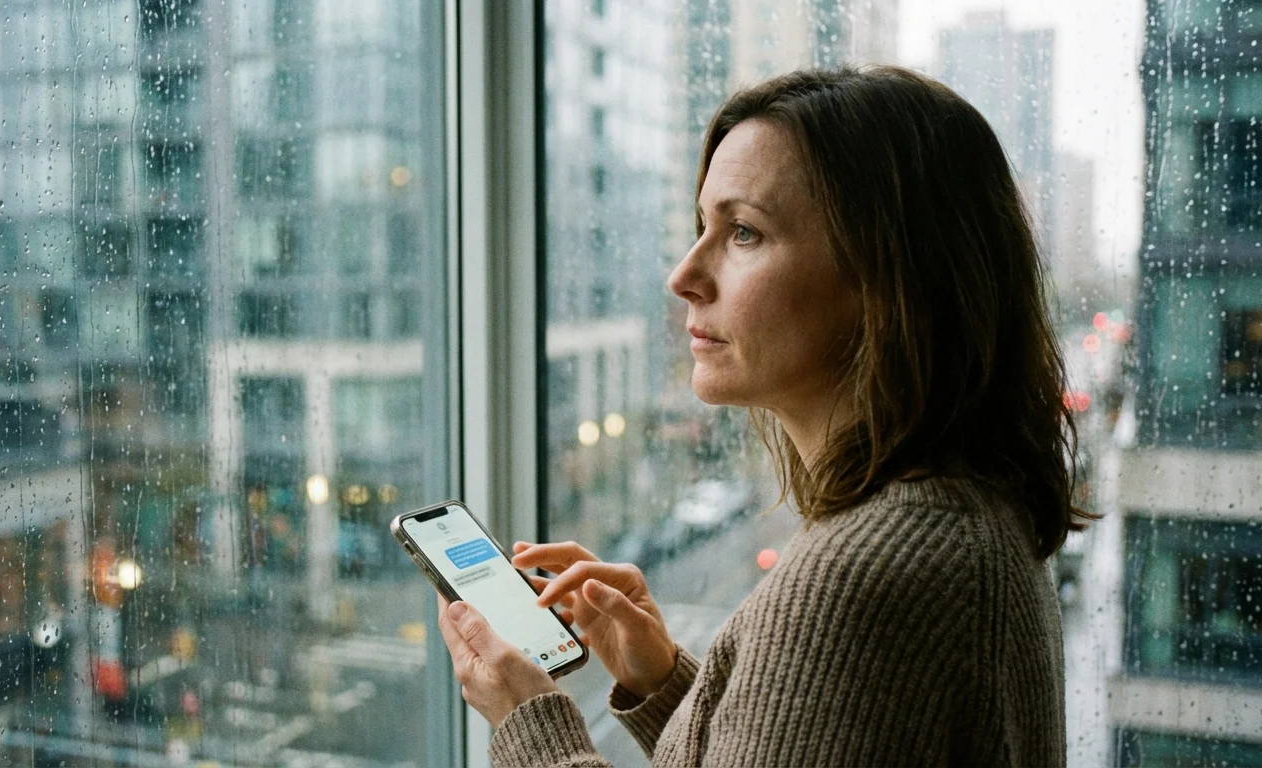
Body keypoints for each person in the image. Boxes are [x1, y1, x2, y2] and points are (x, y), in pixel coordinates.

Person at [434, 65, 1085, 767]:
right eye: (702, 227)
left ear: (890, 280)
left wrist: (530, 725)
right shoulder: (966, 524)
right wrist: (667, 683)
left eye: (743, 232)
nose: (683, 276)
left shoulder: (860, 580)